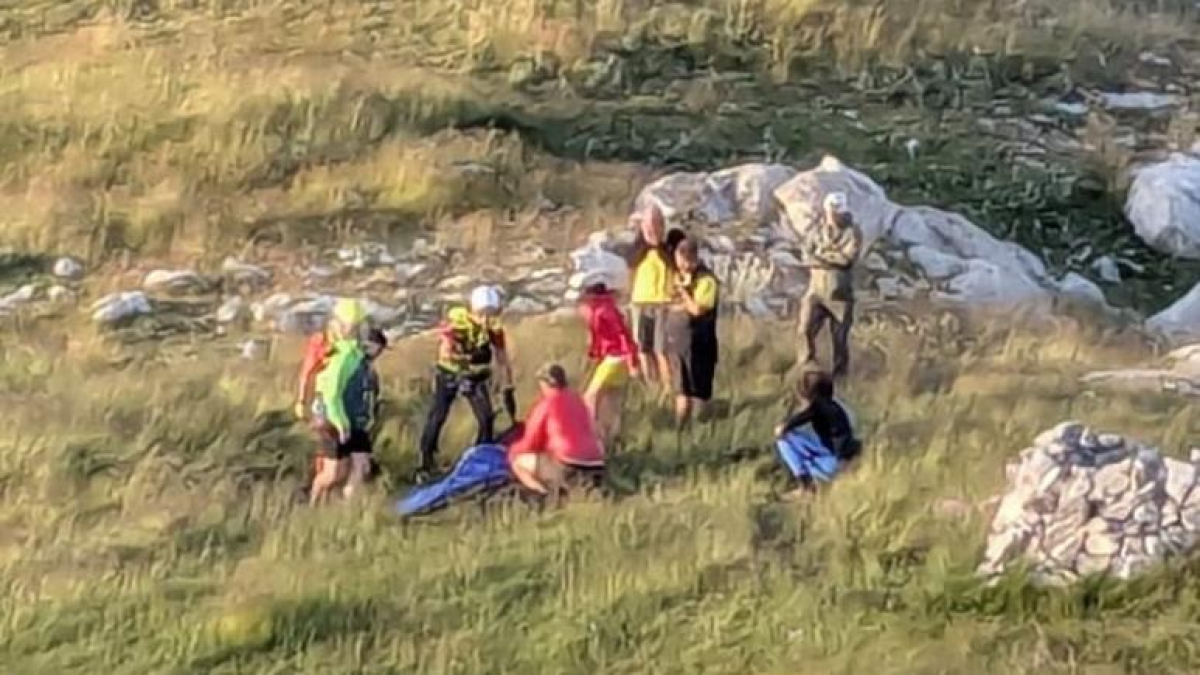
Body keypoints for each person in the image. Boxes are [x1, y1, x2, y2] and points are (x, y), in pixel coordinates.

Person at [417, 285, 516, 481]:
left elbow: (502, 359)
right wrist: (464, 359)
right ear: (473, 311)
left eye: (490, 314)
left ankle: (481, 458)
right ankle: (425, 462)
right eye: (482, 314)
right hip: (449, 374)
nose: (486, 320)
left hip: (475, 376)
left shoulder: (494, 330)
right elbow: (445, 351)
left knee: (486, 417)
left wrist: (507, 386)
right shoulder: (457, 325)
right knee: (438, 416)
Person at [308, 299, 374, 505]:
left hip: (356, 420)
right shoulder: (343, 356)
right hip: (336, 419)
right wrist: (340, 422)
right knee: (334, 473)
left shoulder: (358, 353)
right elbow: (331, 394)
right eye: (355, 326)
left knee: (361, 467)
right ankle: (313, 501)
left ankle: (347, 512)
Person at [507, 364, 605, 501]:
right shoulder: (578, 400)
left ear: (545, 384)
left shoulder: (546, 404)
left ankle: (545, 496)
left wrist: (512, 452)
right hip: (596, 464)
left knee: (519, 463)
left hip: (568, 464)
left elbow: (531, 441)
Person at [798, 192, 863, 380]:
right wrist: (831, 257)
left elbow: (846, 259)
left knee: (839, 339)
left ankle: (840, 377)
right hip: (815, 291)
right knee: (804, 329)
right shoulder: (816, 230)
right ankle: (806, 368)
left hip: (840, 295)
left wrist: (820, 257)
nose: (836, 216)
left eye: (839, 212)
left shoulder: (854, 232)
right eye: (833, 212)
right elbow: (805, 255)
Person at [773, 369, 861, 500]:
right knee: (800, 439)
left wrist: (784, 427)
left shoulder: (818, 406)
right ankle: (815, 478)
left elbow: (804, 416)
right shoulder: (836, 406)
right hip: (842, 456)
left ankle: (806, 487)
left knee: (784, 440)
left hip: (833, 463)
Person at [578, 274, 640, 444]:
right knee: (612, 399)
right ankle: (612, 435)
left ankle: (591, 434)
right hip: (617, 358)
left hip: (616, 357)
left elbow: (621, 336)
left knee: (590, 396)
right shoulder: (606, 308)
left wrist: (631, 360)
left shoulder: (602, 311)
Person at [666, 238, 720, 426]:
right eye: (679, 261)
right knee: (681, 391)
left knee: (700, 393)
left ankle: (703, 428)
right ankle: (680, 429)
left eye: (686, 261)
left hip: (700, 344)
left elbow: (698, 309)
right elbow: (669, 305)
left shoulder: (707, 280)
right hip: (678, 344)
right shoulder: (676, 277)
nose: (682, 266)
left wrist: (683, 293)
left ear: (694, 259)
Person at [627, 205, 675, 392]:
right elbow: (630, 271)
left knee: (661, 350)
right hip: (639, 303)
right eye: (648, 224)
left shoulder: (670, 249)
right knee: (643, 349)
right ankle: (652, 387)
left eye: (656, 223)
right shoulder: (636, 250)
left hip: (663, 304)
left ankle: (669, 388)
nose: (652, 228)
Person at [343, 327, 388, 498]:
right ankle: (348, 504)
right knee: (361, 466)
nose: (380, 353)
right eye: (380, 348)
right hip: (355, 422)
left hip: (358, 422)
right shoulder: (358, 366)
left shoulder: (363, 365)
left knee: (354, 465)